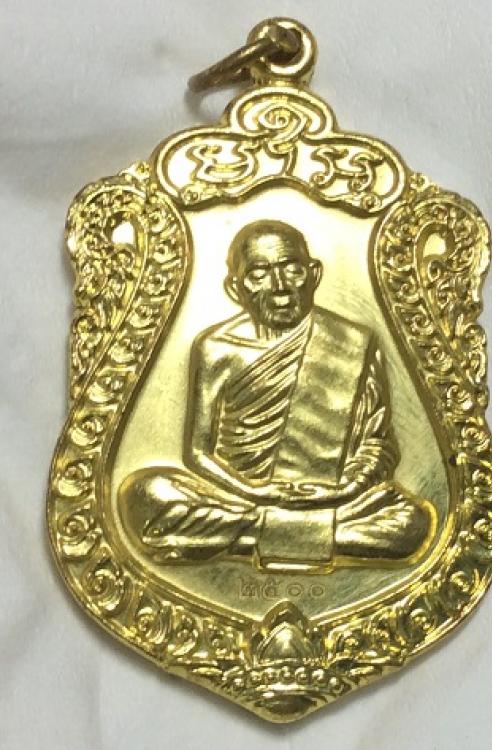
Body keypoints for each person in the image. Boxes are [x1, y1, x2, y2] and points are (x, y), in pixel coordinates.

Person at [120, 220, 434, 571]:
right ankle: (309, 537)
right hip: (237, 498)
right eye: (259, 273)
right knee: (147, 494)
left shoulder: (353, 341)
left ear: (314, 275)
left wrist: (345, 489)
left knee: (412, 523)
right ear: (235, 288)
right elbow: (197, 453)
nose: (280, 287)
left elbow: (378, 444)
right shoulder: (216, 348)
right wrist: (254, 492)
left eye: (292, 269)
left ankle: (243, 539)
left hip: (332, 501)